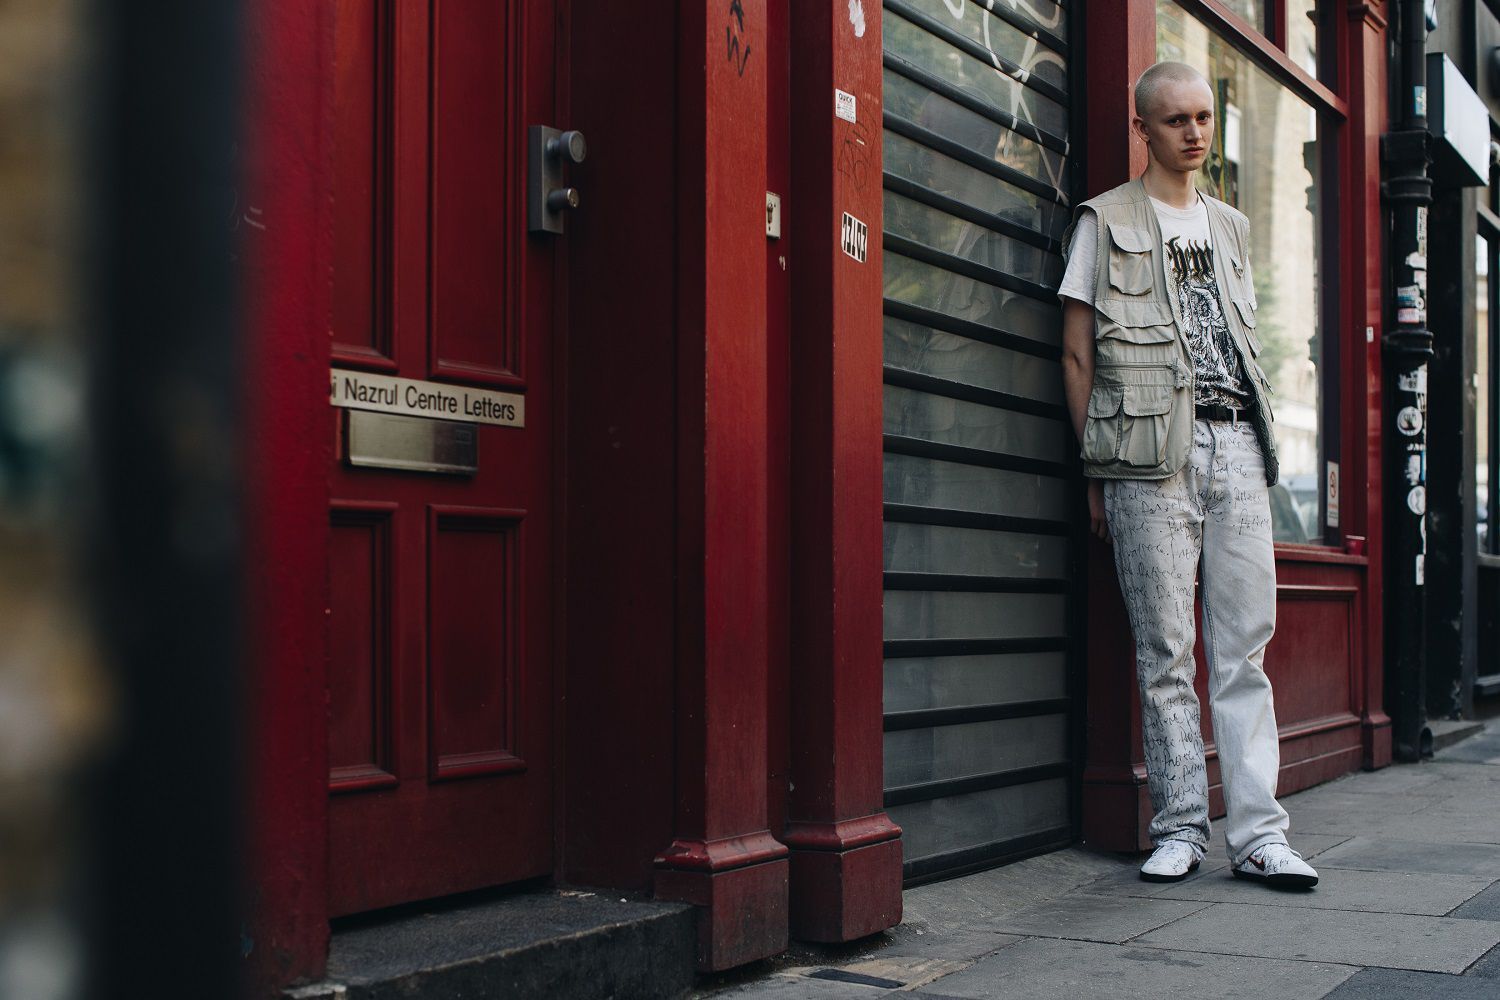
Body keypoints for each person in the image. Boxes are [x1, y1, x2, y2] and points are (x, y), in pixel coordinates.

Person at [1057, 61, 1318, 888]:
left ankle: (1261, 836)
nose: (1196, 133)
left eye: (1204, 117)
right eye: (1176, 120)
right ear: (1143, 129)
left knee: (1245, 650)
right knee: (1165, 650)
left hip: (1236, 443)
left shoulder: (1231, 226)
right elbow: (1076, 353)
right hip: (1143, 455)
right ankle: (1179, 828)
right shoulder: (1103, 220)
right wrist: (1096, 471)